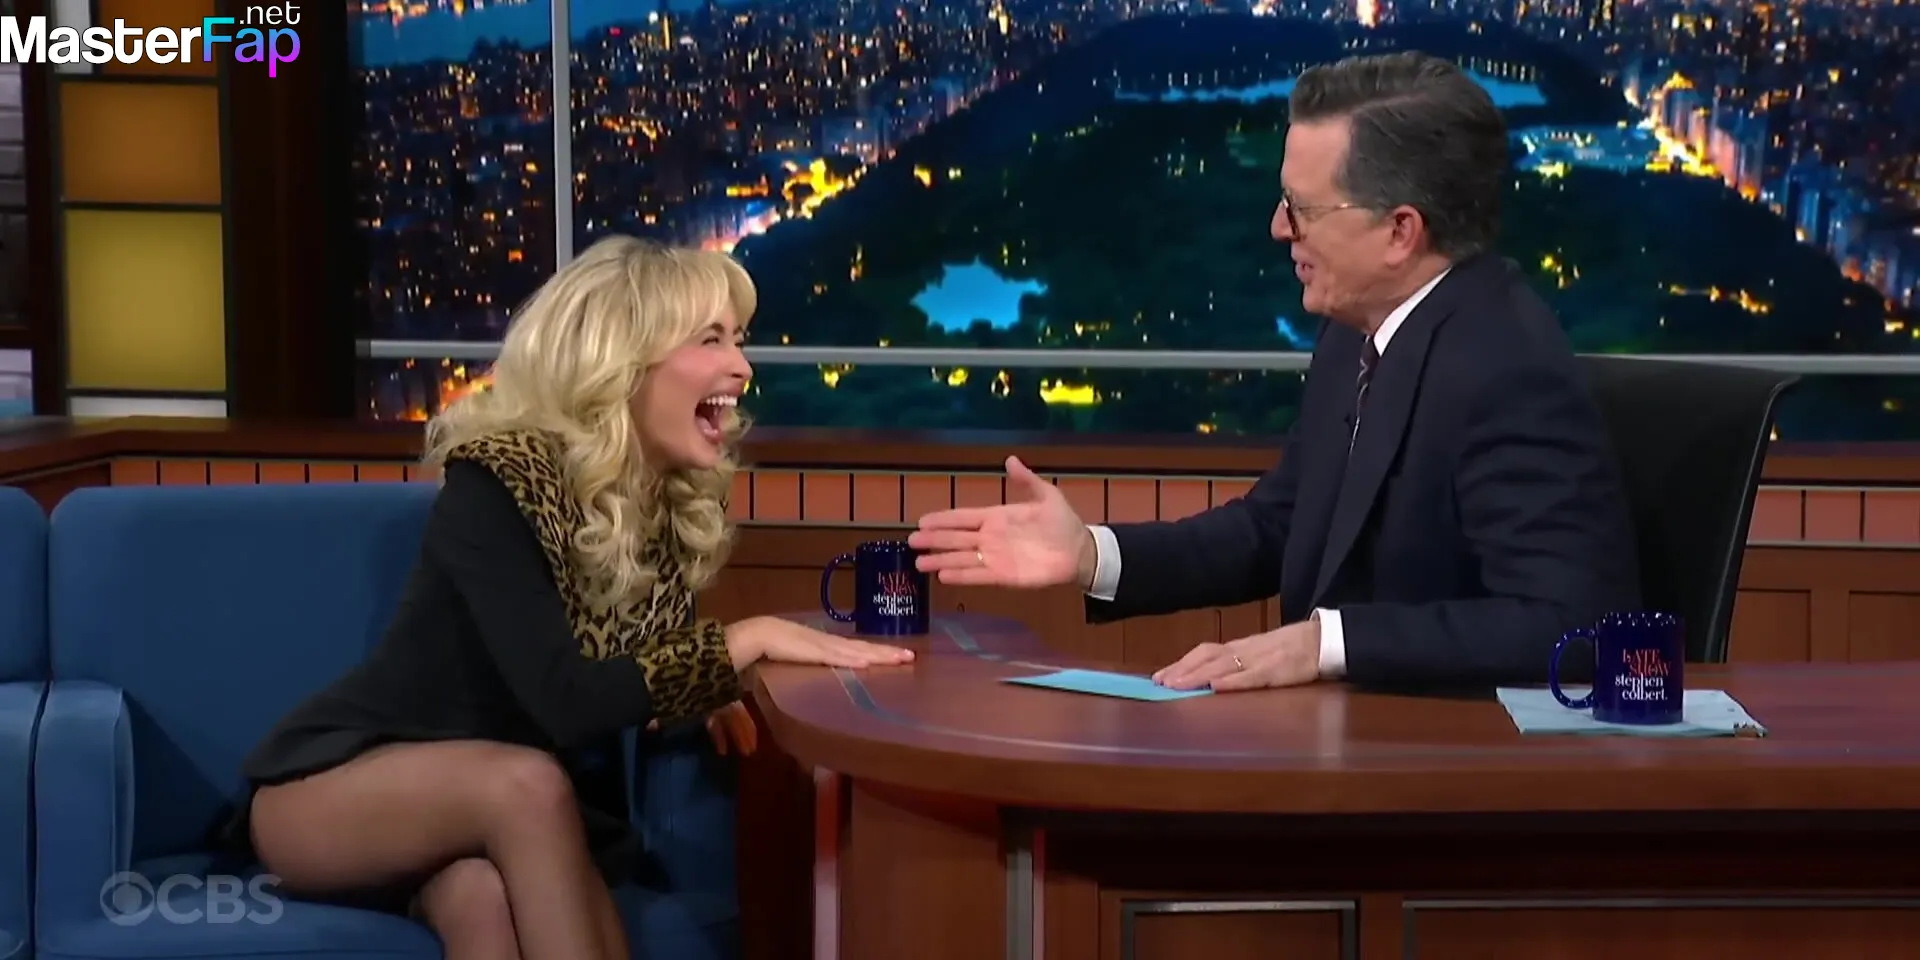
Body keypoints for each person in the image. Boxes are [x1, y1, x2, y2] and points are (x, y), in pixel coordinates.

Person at [228, 236, 914, 960]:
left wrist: (700, 686)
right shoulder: (496, 481)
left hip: (490, 823)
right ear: (620, 362)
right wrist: (739, 642)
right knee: (526, 785)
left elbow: (640, 673)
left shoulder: (660, 503)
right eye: (711, 339)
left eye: (738, 340)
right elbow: (567, 699)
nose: (742, 367)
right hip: (334, 794)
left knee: (483, 901)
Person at [910, 51, 1639, 692]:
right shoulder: (1356, 334)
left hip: (1442, 778)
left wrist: (1327, 644)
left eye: (1302, 208)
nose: (1278, 227)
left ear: (1400, 231)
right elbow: (1279, 527)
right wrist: (1091, 554)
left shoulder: (1506, 366)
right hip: (1333, 752)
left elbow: (1571, 626)